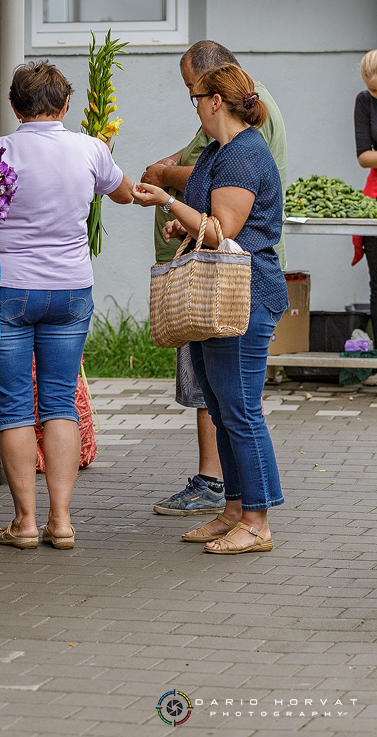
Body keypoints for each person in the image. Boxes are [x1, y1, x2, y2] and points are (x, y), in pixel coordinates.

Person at [132, 63, 288, 553]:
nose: (194, 104)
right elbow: (206, 222)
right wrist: (182, 225)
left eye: (195, 96)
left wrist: (166, 200)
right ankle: (234, 510)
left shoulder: (243, 155)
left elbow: (222, 230)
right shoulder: (217, 153)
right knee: (221, 409)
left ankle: (257, 521)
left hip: (245, 298)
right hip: (216, 294)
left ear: (216, 100)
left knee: (240, 410)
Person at [0, 61, 133, 550]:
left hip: (10, 291)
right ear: (66, 105)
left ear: (14, 106)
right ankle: (62, 521)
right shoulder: (91, 148)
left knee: (13, 409)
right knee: (60, 402)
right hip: (71, 289)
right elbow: (125, 193)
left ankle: (24, 522)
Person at [352, 49, 377, 331]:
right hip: (375, 195)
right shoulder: (363, 101)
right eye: (372, 89)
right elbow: (363, 156)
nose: (375, 94)